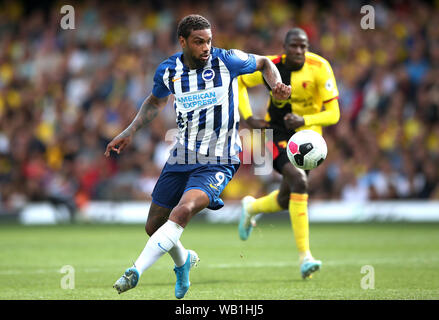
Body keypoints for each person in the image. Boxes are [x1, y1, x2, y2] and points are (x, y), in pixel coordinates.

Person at [105, 14, 291, 298]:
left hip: (221, 157)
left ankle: (135, 271)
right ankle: (184, 262)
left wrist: (275, 87)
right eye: (199, 42)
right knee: (153, 225)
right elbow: (155, 101)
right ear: (183, 42)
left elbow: (266, 63)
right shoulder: (168, 70)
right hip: (183, 154)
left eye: (209, 41)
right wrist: (130, 130)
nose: (206, 47)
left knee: (183, 210)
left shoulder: (227, 60)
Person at [237, 28, 340, 279]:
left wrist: (305, 118)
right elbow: (238, 80)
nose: (299, 51)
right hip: (277, 133)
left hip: (309, 140)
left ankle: (252, 207)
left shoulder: (320, 67)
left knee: (286, 198)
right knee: (299, 181)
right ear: (284, 47)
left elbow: (334, 114)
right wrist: (248, 118)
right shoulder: (270, 66)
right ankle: (305, 256)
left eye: (303, 46)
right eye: (294, 46)